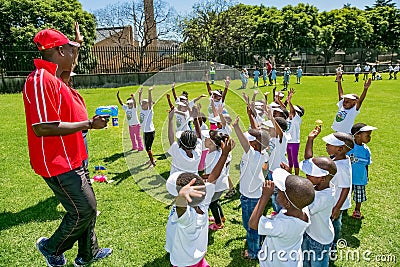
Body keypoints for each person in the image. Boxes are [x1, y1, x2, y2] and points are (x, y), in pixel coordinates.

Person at [24, 26, 112, 267]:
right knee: (84, 211)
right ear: (60, 51)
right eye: (71, 51)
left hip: (73, 157)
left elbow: (70, 66)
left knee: (88, 209)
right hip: (58, 162)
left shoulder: (55, 77)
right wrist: (87, 124)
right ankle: (50, 247)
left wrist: (77, 43)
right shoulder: (41, 80)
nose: (75, 56)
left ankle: (87, 254)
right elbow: (41, 127)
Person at [165, 138, 234, 267]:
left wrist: (181, 195)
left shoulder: (186, 217)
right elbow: (213, 177)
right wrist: (224, 155)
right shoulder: (203, 201)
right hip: (196, 258)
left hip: (183, 261)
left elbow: (181, 207)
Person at [248, 169, 315, 267]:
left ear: (287, 203)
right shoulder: (303, 209)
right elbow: (298, 192)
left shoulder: (282, 225)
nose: (276, 190)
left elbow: (253, 224)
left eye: (279, 190)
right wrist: (289, 180)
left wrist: (264, 196)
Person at [232, 115, 270, 260]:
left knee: (250, 225)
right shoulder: (262, 153)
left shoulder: (253, 155)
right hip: (253, 193)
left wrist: (236, 127)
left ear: (253, 145)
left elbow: (245, 143)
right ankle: (256, 241)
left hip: (250, 197)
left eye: (249, 141)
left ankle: (254, 251)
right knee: (254, 222)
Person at [300, 126, 338, 267]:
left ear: (322, 178)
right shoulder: (320, 184)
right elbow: (309, 159)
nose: (307, 175)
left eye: (311, 174)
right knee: (305, 262)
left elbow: (303, 210)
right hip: (310, 234)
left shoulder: (323, 197)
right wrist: (310, 139)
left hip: (320, 241)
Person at [321, 132, 354, 255]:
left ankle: (333, 244)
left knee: (335, 223)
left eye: (330, 144)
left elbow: (345, 188)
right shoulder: (337, 159)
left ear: (340, 149)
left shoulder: (342, 167)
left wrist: (337, 208)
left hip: (337, 202)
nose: (326, 145)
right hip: (333, 200)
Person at [347, 123, 377, 219]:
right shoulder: (349, 147)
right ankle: (342, 208)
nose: (369, 137)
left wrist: (366, 176)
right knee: (346, 193)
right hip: (349, 177)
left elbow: (366, 165)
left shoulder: (366, 150)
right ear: (357, 135)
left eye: (370, 135)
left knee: (359, 196)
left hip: (360, 177)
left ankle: (357, 210)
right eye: (367, 135)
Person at [203, 130, 231, 230]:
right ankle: (221, 217)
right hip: (222, 183)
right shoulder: (220, 152)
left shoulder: (210, 156)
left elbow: (212, 174)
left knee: (212, 203)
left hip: (217, 184)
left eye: (206, 139)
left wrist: (203, 178)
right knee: (216, 200)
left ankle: (218, 223)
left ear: (211, 144)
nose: (204, 140)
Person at [168, 105, 203, 175]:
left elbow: (171, 137)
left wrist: (170, 119)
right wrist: (195, 119)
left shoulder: (178, 152)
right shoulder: (197, 154)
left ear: (180, 143)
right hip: (194, 180)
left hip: (177, 182)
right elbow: (199, 137)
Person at [285, 89, 304, 175]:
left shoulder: (297, 119)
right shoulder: (289, 118)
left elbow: (292, 110)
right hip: (288, 141)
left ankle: (296, 176)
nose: (290, 111)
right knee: (289, 160)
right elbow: (284, 109)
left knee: (295, 160)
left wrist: (289, 101)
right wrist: (286, 100)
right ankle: (289, 175)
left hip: (294, 142)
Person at [139, 87, 156, 166]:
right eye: (142, 104)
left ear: (147, 105)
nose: (142, 105)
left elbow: (149, 101)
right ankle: (151, 159)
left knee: (148, 148)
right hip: (145, 132)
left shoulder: (149, 110)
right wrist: (140, 93)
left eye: (143, 104)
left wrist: (149, 92)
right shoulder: (142, 109)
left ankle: (152, 162)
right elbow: (139, 102)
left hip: (150, 132)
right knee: (147, 148)